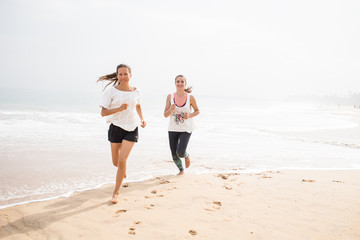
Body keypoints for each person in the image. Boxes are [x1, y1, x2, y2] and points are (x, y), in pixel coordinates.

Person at [97, 64, 146, 204]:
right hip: (116, 128)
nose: (123, 77)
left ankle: (115, 193)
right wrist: (118, 109)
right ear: (117, 76)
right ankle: (122, 170)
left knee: (122, 160)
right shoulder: (111, 92)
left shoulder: (137, 91)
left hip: (132, 128)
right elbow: (103, 113)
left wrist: (142, 119)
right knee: (116, 162)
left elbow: (138, 105)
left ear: (131, 75)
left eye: (125, 74)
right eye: (120, 74)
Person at [163, 75, 200, 175]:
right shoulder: (170, 97)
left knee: (180, 152)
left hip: (186, 128)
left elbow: (197, 111)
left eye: (182, 82)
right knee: (174, 154)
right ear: (175, 83)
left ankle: (186, 156)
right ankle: (181, 170)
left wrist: (190, 115)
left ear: (185, 84)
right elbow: (165, 115)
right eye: (178, 81)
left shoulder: (190, 98)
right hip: (173, 128)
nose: (180, 83)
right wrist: (170, 109)